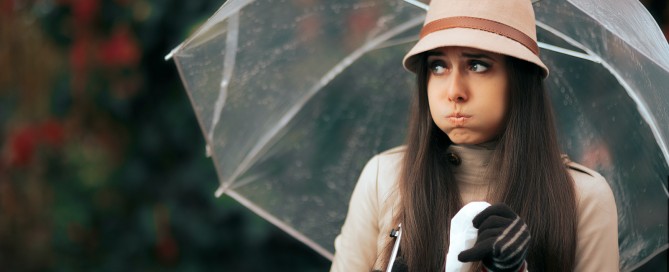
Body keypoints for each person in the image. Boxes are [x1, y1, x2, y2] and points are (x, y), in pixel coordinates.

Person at [329, 0, 619, 271]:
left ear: (519, 78)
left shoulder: (582, 198)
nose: (454, 90)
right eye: (438, 66)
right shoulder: (385, 178)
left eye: (477, 65)